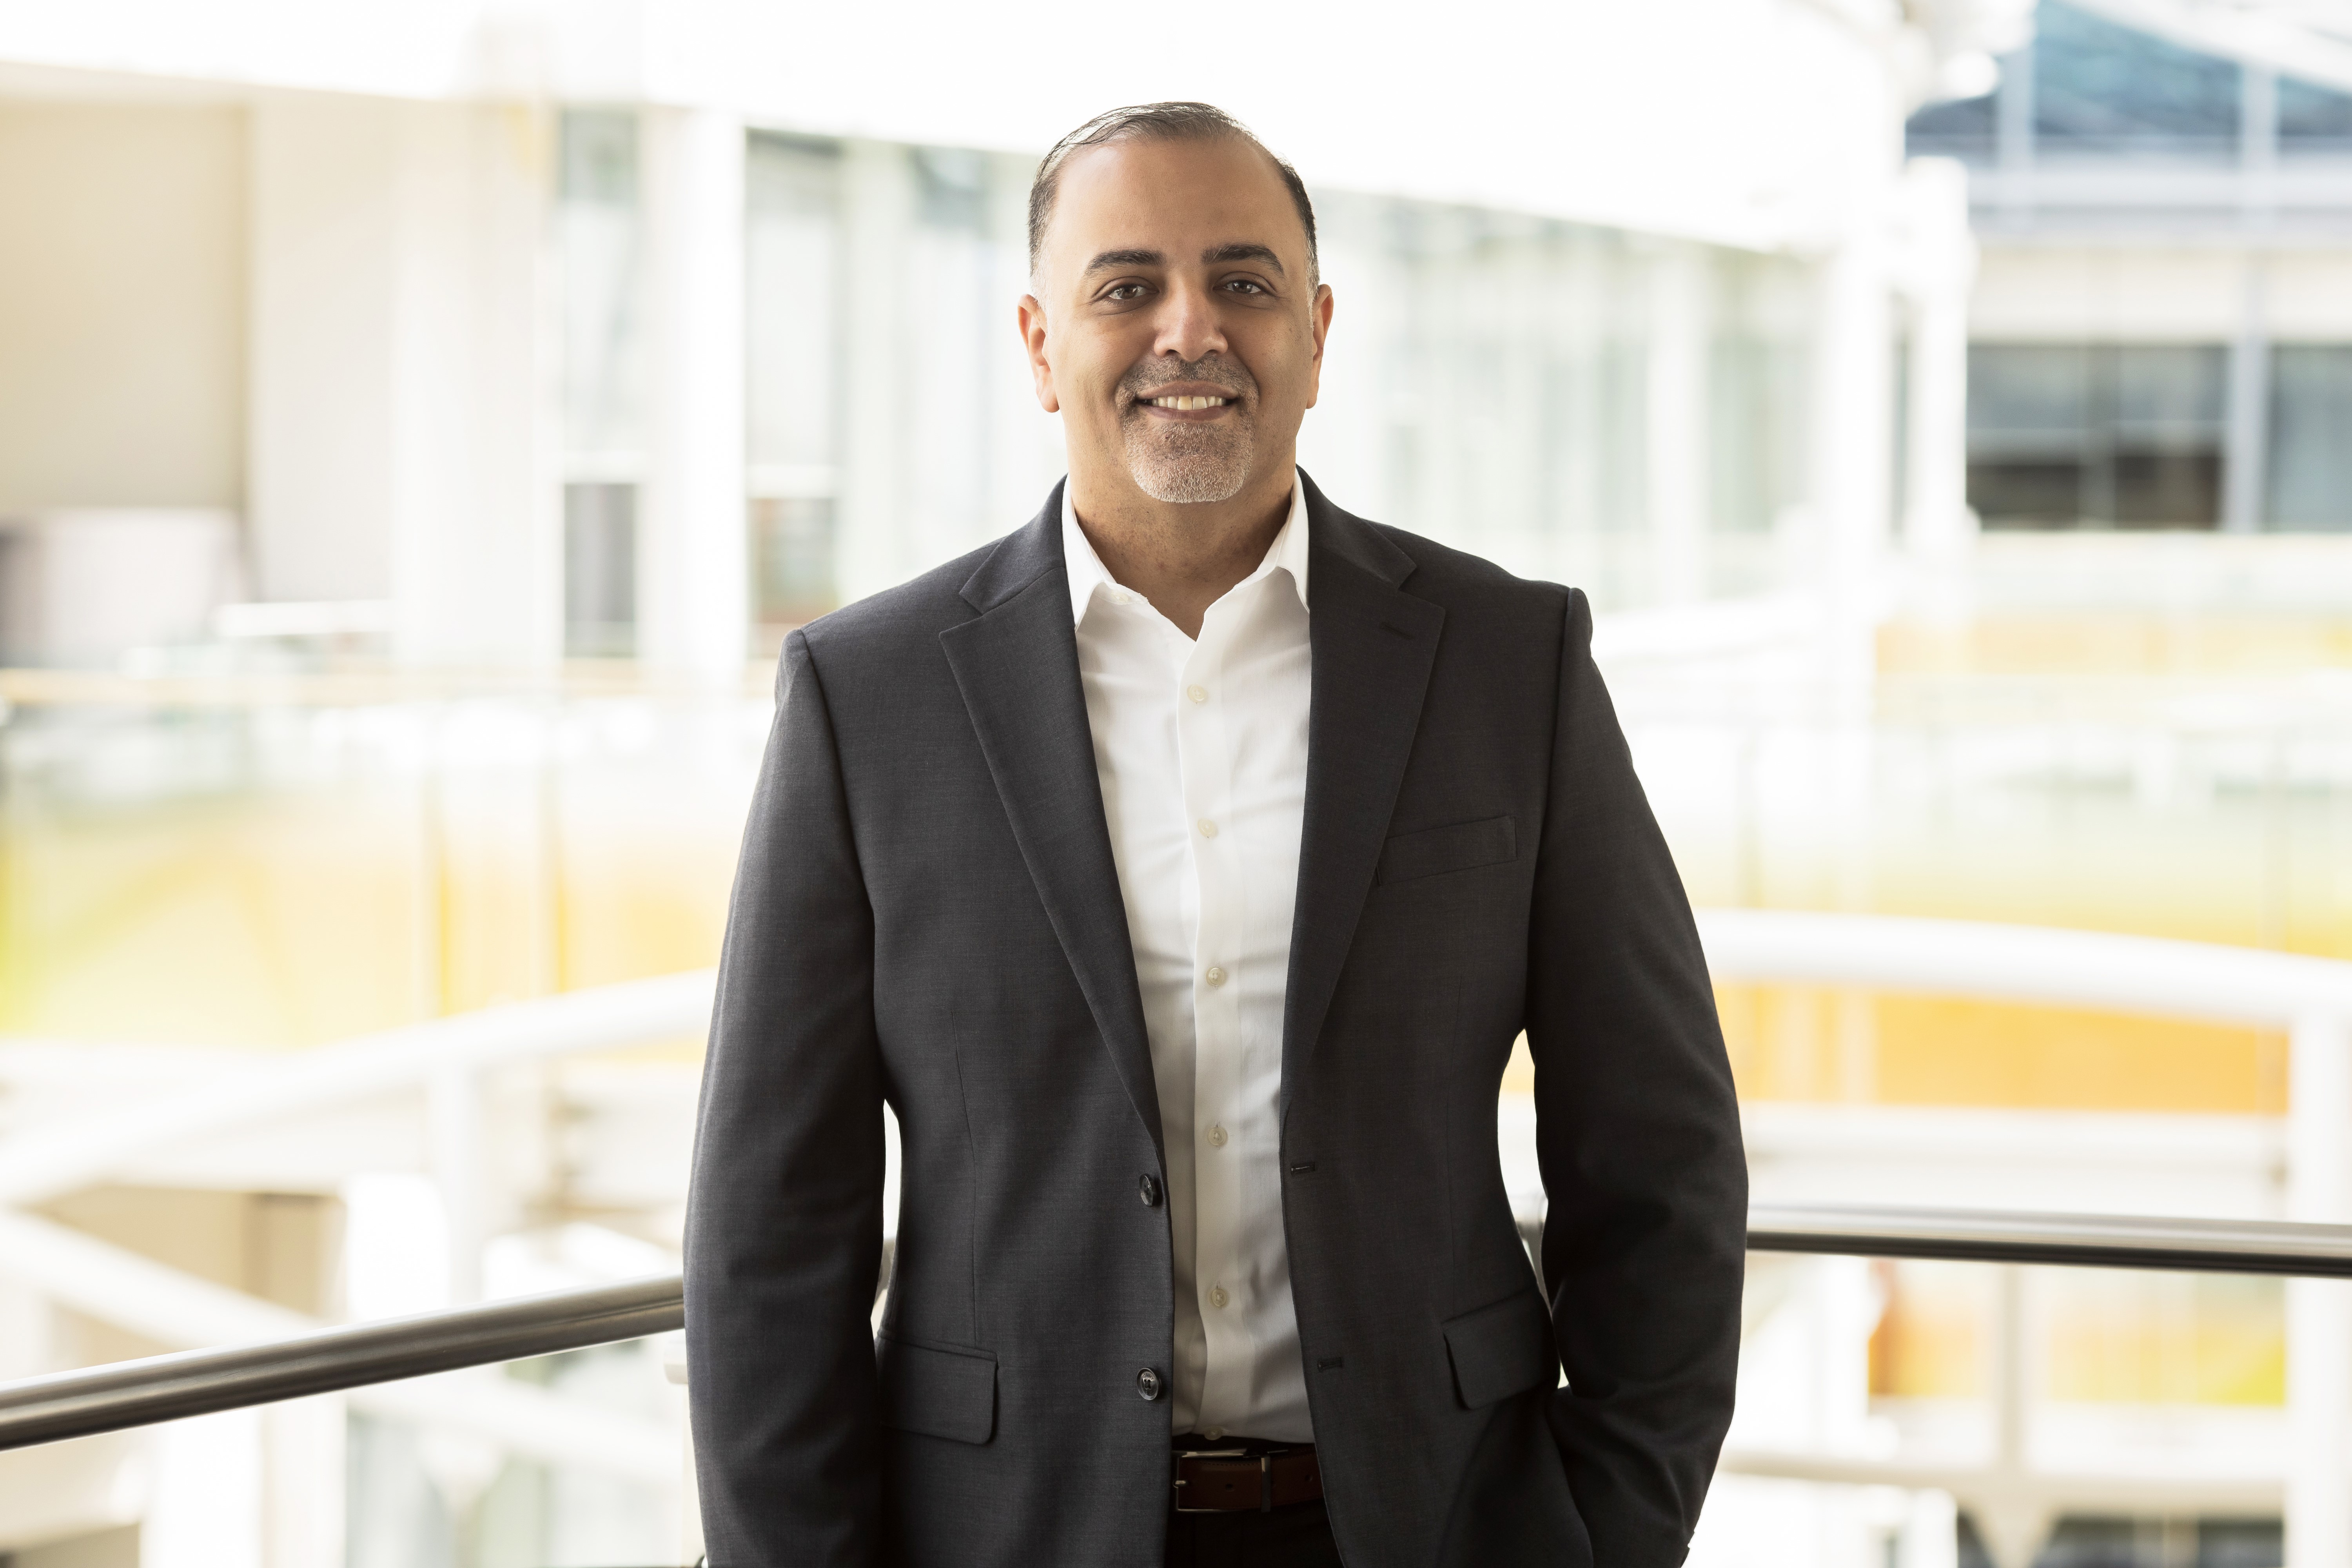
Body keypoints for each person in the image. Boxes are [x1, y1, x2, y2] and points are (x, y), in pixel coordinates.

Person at [684, 102, 1746, 1568]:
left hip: (1431, 1529)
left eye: (1243, 283)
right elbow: (767, 1230)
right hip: (1004, 1535)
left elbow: (1662, 1157)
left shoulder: (1512, 663)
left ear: (1316, 332)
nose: (1192, 329)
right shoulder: (867, 699)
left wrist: (1610, 1534)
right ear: (1040, 344)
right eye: (1127, 287)